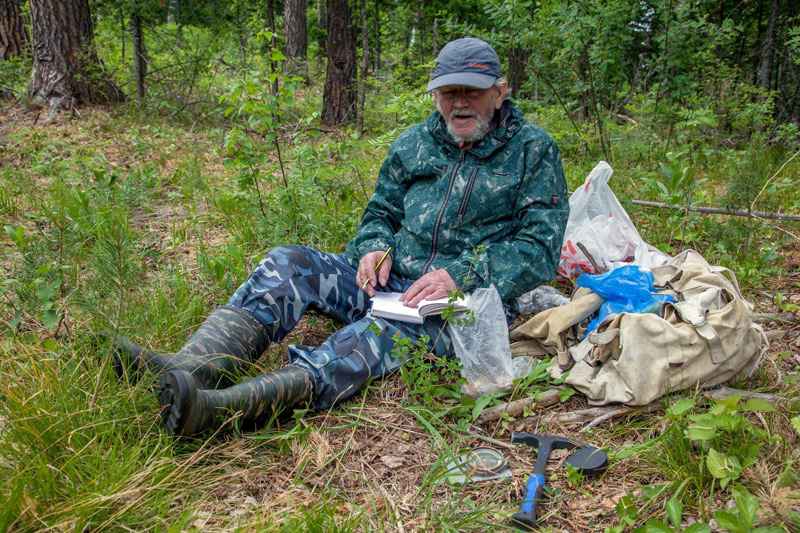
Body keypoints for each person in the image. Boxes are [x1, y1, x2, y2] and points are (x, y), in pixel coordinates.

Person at [115, 37, 569, 437]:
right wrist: (374, 246)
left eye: (472, 90)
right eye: (449, 91)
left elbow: (539, 249)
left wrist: (460, 275)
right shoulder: (414, 143)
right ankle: (195, 367)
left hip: (461, 307)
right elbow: (381, 212)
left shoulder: (533, 150)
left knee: (374, 336)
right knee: (289, 262)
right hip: (387, 285)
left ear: (500, 91)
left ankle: (224, 409)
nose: (460, 102)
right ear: (435, 95)